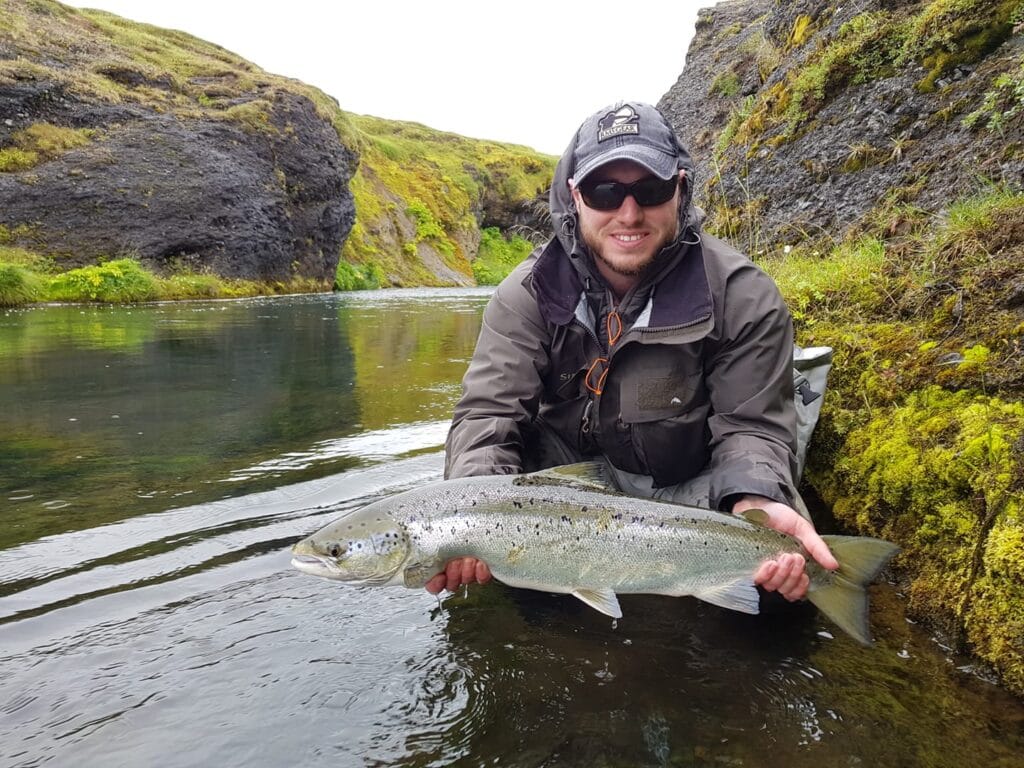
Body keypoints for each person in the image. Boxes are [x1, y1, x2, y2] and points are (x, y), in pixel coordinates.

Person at [429, 101, 838, 602]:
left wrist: (755, 497)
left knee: (778, 577)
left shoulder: (741, 295)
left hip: (689, 485)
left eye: (650, 189)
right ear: (575, 196)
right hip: (566, 494)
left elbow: (750, 426)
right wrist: (473, 516)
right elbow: (488, 414)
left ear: (680, 189)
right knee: (492, 557)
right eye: (605, 192)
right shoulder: (528, 294)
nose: (629, 213)